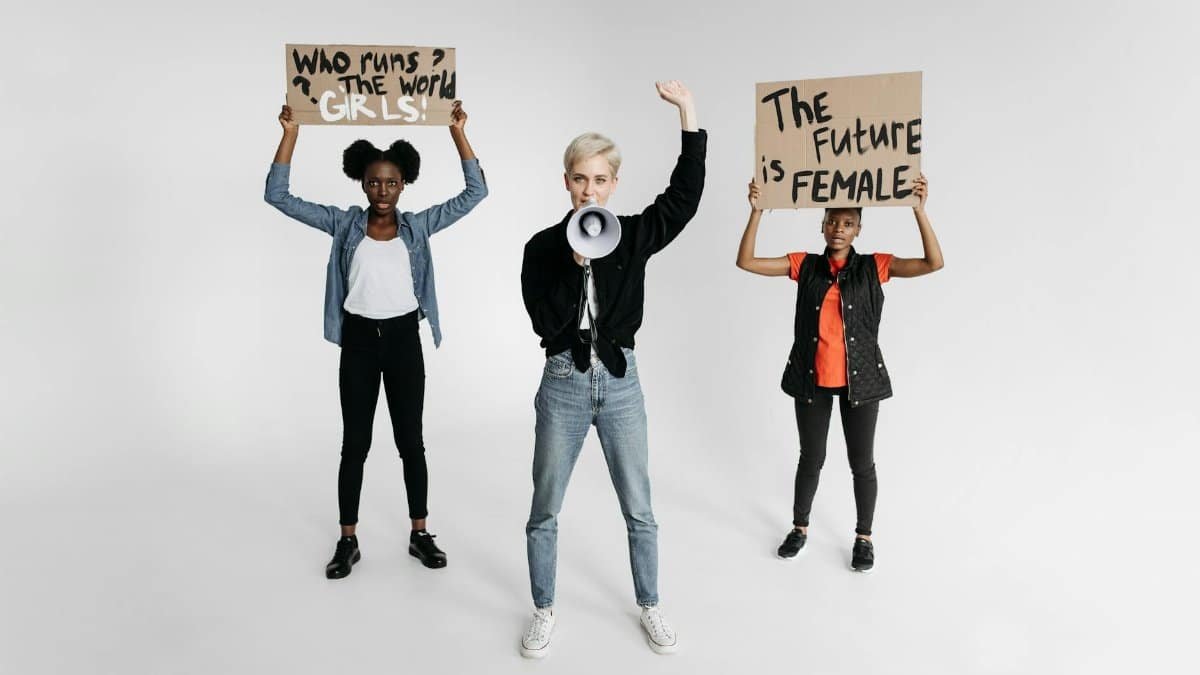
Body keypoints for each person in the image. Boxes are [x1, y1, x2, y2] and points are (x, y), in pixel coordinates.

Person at [517, 81, 704, 658]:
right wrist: (574, 265)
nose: (590, 189)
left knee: (639, 506)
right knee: (545, 505)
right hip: (564, 385)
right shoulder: (541, 248)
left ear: (613, 184)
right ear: (567, 181)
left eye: (601, 179)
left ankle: (650, 605)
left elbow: (684, 199)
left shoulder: (633, 237)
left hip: (621, 384)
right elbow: (544, 324)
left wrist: (688, 113)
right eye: (580, 178)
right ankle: (544, 608)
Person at [264, 101, 487, 579]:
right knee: (355, 444)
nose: (382, 190)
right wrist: (291, 131)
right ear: (361, 182)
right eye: (373, 182)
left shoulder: (418, 226)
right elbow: (277, 196)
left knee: (412, 441)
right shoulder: (344, 224)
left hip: (405, 339)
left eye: (391, 182)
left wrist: (458, 131)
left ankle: (419, 533)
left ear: (404, 182)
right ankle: (348, 540)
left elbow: (475, 192)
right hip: (360, 342)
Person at [734, 174, 943, 573]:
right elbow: (746, 262)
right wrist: (756, 213)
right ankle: (799, 528)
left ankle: (864, 538)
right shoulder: (805, 265)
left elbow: (934, 262)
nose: (838, 229)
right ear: (822, 223)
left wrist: (919, 210)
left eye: (848, 223)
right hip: (811, 379)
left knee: (861, 462)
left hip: (860, 381)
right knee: (810, 457)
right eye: (832, 221)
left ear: (859, 228)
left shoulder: (875, 266)